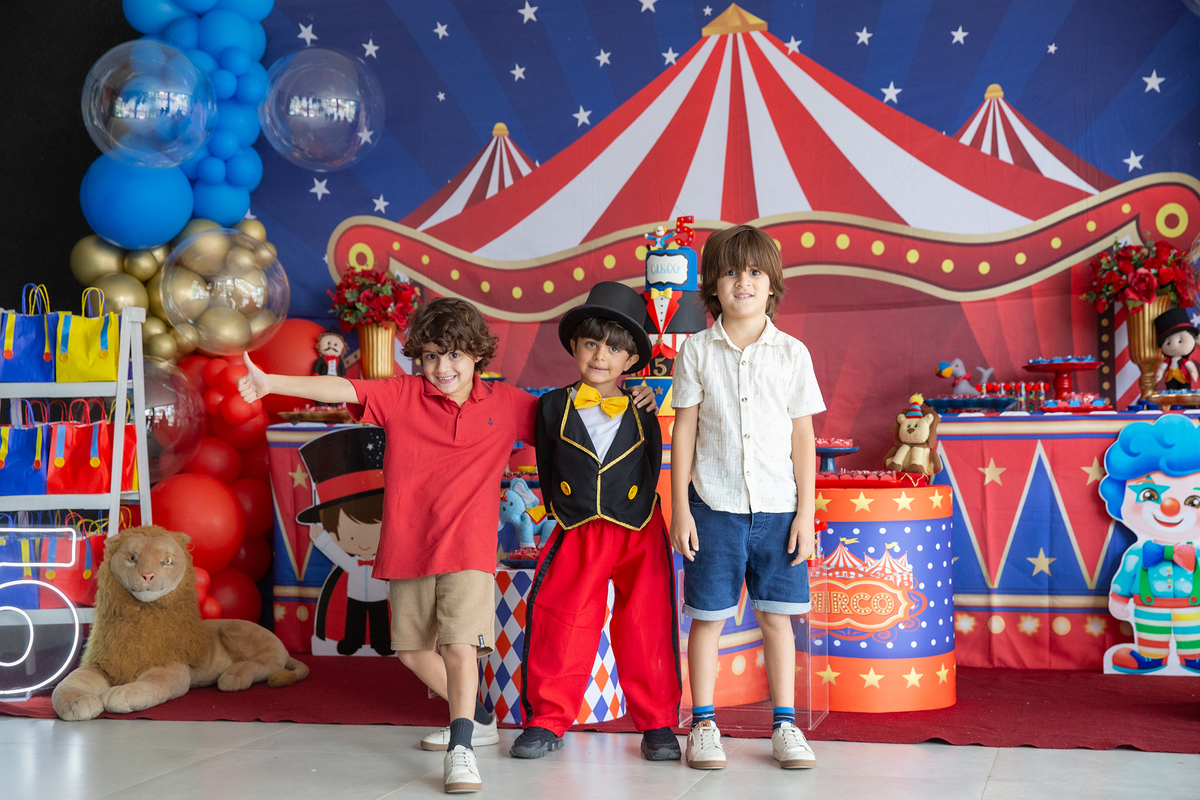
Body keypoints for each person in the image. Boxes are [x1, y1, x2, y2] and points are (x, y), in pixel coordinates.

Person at [237, 296, 656, 794]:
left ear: (477, 355)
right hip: (407, 544)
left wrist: (633, 396)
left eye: (455, 355)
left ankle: (462, 748)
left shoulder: (507, 403)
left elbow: (576, 413)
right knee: (412, 651)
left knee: (460, 645)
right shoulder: (402, 394)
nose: (442, 368)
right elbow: (343, 387)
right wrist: (271, 382)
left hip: (469, 548)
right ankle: (479, 719)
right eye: (432, 356)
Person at [669, 224, 825, 772]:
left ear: (772, 283)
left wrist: (806, 513)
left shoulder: (793, 354)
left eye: (755, 272)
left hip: (780, 509)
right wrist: (680, 508)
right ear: (713, 285)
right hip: (713, 508)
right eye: (731, 272)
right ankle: (703, 724)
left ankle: (785, 725)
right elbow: (684, 431)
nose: (743, 282)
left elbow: (803, 437)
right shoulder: (695, 351)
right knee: (707, 617)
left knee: (778, 618)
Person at [512, 281, 682, 762]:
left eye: (613, 348)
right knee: (562, 620)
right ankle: (547, 720)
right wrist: (564, 510)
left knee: (647, 623)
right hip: (577, 525)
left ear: (632, 360)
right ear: (574, 346)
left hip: (637, 527)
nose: (600, 356)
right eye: (591, 343)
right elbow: (547, 468)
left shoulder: (645, 408)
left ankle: (658, 723)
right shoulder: (551, 406)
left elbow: (651, 465)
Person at [297, 427, 392, 657]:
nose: (364, 543)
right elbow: (337, 553)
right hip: (355, 595)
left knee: (381, 618)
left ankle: (383, 642)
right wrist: (320, 537)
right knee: (354, 618)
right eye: (350, 536)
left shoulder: (387, 561)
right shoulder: (352, 564)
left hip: (381, 594)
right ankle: (352, 641)